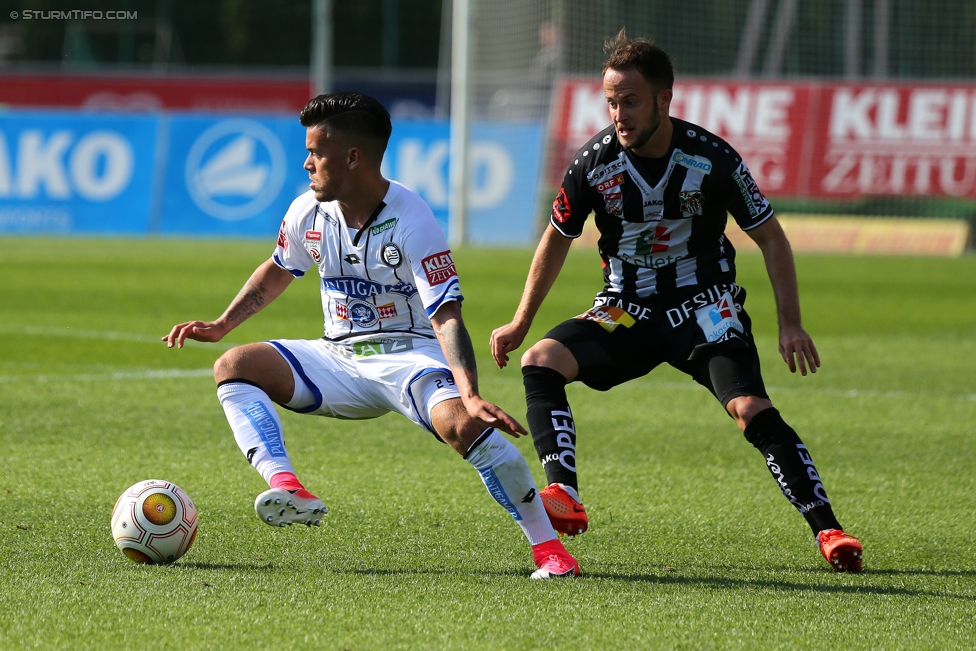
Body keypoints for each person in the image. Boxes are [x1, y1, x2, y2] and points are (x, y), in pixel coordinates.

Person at [163, 92, 579, 579]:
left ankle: (550, 551)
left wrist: (469, 392)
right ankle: (288, 487)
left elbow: (446, 315)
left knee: (465, 427)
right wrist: (221, 325)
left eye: (316, 152)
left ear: (353, 157)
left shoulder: (412, 219)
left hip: (408, 356)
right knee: (235, 366)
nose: (306, 163)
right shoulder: (306, 212)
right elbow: (279, 269)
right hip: (337, 357)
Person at [490, 31, 863, 572]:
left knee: (749, 408)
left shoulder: (712, 158)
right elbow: (556, 238)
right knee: (541, 361)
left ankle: (828, 528)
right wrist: (521, 320)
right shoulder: (592, 163)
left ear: (665, 99)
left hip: (705, 307)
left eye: (631, 101)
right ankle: (564, 494)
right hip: (625, 309)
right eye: (612, 102)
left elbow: (771, 237)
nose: (619, 114)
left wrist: (791, 324)